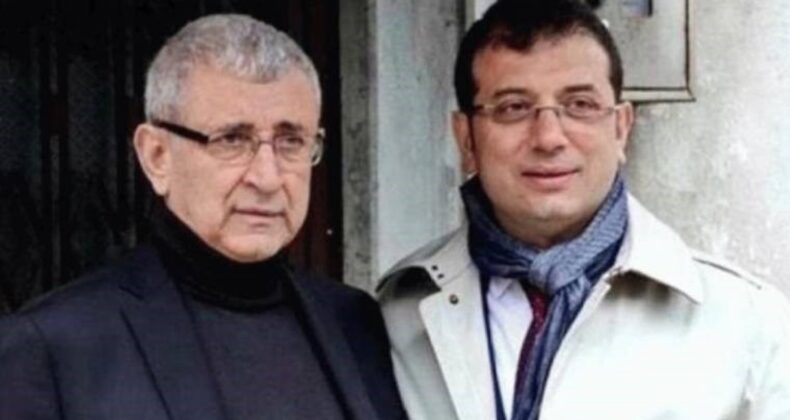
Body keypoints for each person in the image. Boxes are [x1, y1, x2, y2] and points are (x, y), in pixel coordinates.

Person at [376, 1, 790, 419]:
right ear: (466, 139)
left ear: (620, 128)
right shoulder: (396, 312)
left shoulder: (750, 325)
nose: (548, 138)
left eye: (580, 105)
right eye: (514, 107)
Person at [0, 14, 405, 420]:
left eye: (291, 141)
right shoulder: (54, 347)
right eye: (232, 140)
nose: (267, 178)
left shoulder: (357, 324)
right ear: (157, 156)